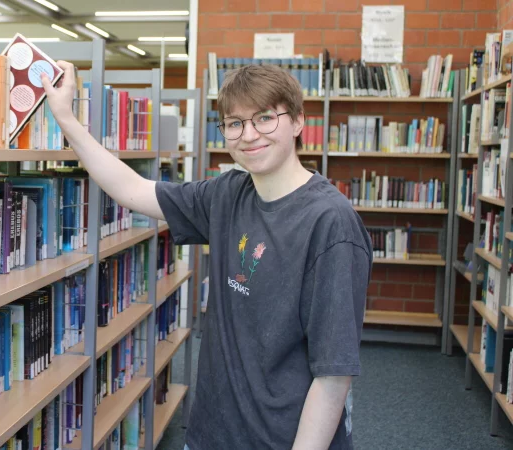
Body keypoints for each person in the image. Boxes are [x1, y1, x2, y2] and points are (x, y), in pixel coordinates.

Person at [42, 63, 372, 449]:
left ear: (298, 121)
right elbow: (132, 189)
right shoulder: (228, 194)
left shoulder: (331, 224)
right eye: (235, 123)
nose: (249, 135)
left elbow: (333, 376)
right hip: (211, 432)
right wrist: (66, 117)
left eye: (265, 118)